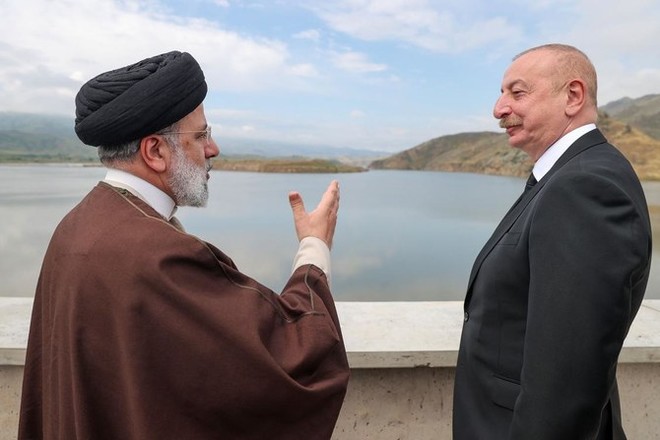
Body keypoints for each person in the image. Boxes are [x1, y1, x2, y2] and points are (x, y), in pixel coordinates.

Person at [18, 50, 350, 440]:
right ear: (155, 151)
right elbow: (292, 360)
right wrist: (314, 246)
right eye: (201, 135)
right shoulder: (159, 256)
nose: (213, 149)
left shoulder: (74, 227)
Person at [453, 44, 652, 439]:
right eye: (502, 93)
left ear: (573, 96)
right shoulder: (568, 176)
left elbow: (568, 381)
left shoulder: (584, 186)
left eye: (517, 92)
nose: (498, 109)